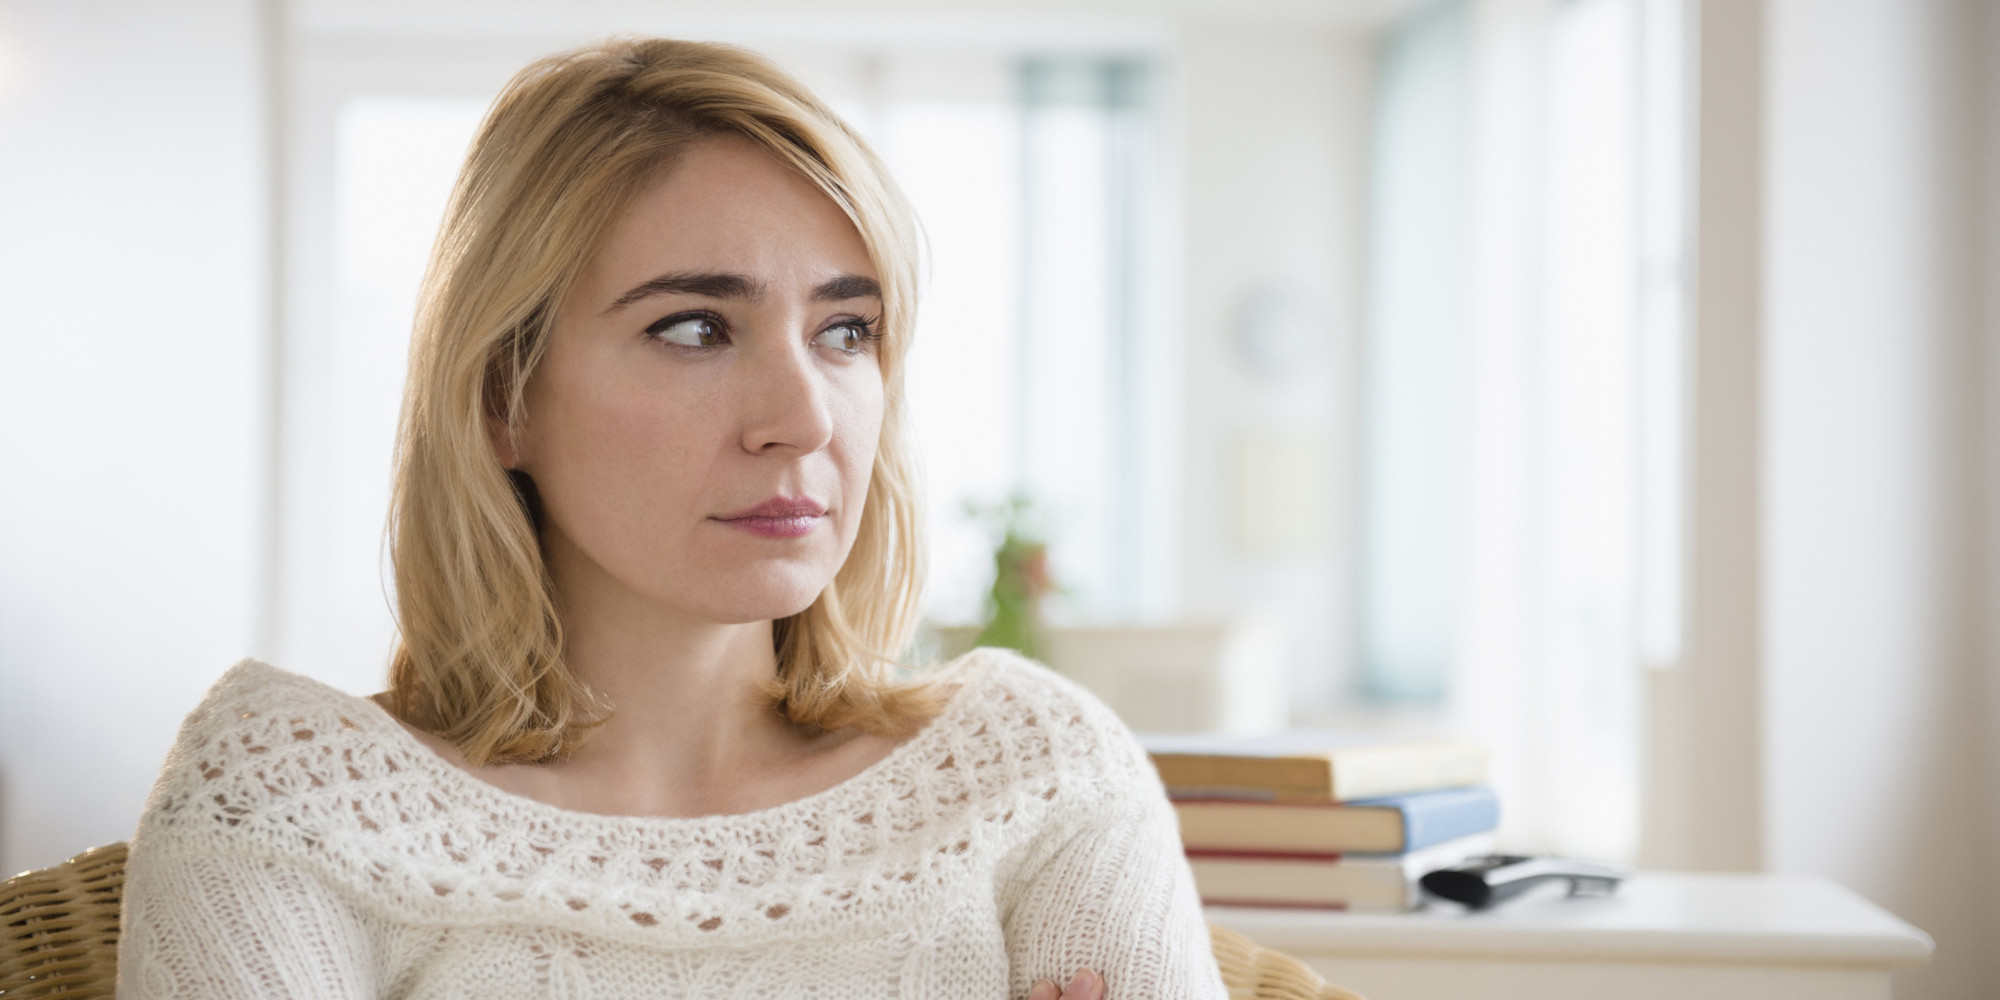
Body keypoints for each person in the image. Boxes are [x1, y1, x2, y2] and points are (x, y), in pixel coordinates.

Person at [116, 36, 1226, 1000]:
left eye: (845, 332)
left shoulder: (1033, 773)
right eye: (694, 328)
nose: (800, 418)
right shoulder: (287, 799)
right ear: (504, 397)